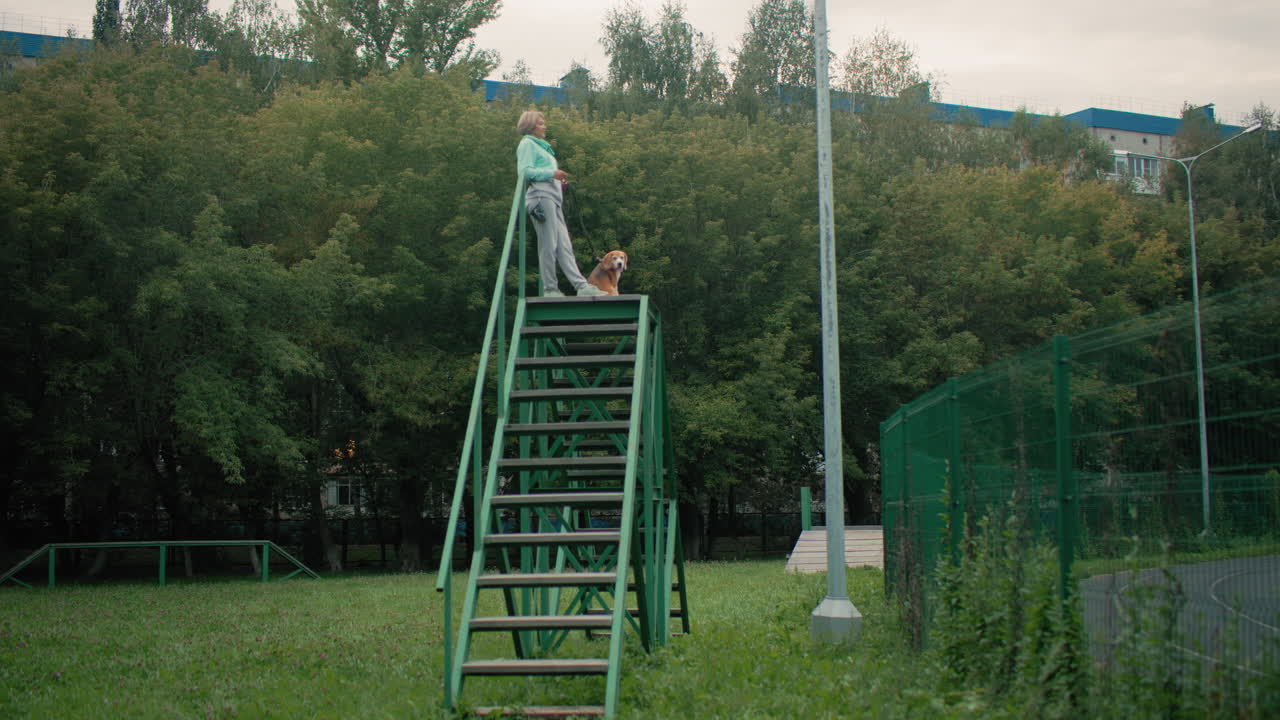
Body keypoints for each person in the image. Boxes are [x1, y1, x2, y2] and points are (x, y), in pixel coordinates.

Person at [515, 110, 605, 297]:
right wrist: (551, 174)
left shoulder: (542, 147)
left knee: (564, 244)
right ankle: (550, 289)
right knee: (549, 244)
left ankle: (581, 286)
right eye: (540, 123)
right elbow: (525, 172)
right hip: (540, 197)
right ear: (531, 126)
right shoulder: (527, 144)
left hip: (553, 198)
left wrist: (558, 181)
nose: (544, 126)